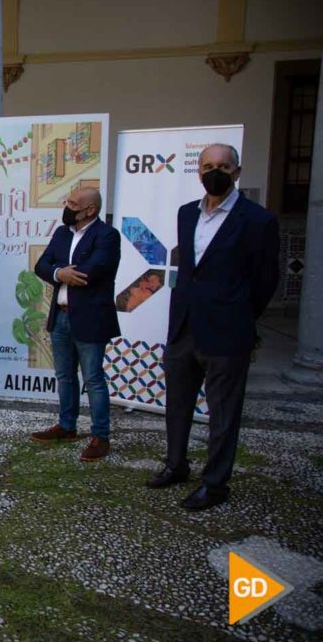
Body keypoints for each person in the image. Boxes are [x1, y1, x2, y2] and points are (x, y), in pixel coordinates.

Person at [146, 144, 280, 511]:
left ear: (237, 171)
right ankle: (176, 465)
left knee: (222, 414)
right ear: (199, 172)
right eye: (208, 165)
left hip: (227, 332)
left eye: (223, 165)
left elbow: (266, 280)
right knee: (177, 404)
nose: (214, 171)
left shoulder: (258, 220)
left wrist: (238, 316)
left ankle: (215, 484)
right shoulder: (186, 213)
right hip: (184, 328)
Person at [31, 186, 121, 461]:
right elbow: (41, 265)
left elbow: (89, 272)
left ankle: (100, 436)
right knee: (64, 376)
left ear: (90, 210)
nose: (67, 207)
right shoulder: (61, 233)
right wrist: (59, 272)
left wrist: (60, 272)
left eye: (72, 203)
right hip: (60, 316)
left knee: (93, 379)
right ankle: (66, 426)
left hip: (91, 318)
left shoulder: (107, 235)